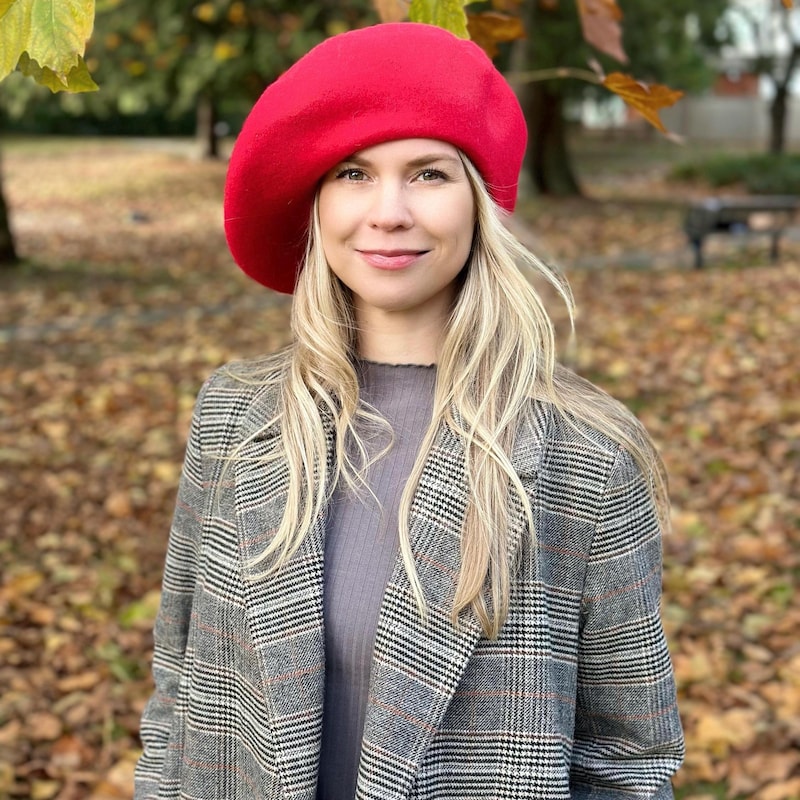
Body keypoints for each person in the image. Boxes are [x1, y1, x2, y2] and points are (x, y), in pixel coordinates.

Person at [134, 22, 684, 800]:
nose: (388, 212)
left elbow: (629, 763)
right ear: (316, 202)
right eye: (354, 174)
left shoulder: (585, 457)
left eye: (428, 174)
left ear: (480, 204)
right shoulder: (235, 418)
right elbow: (179, 699)